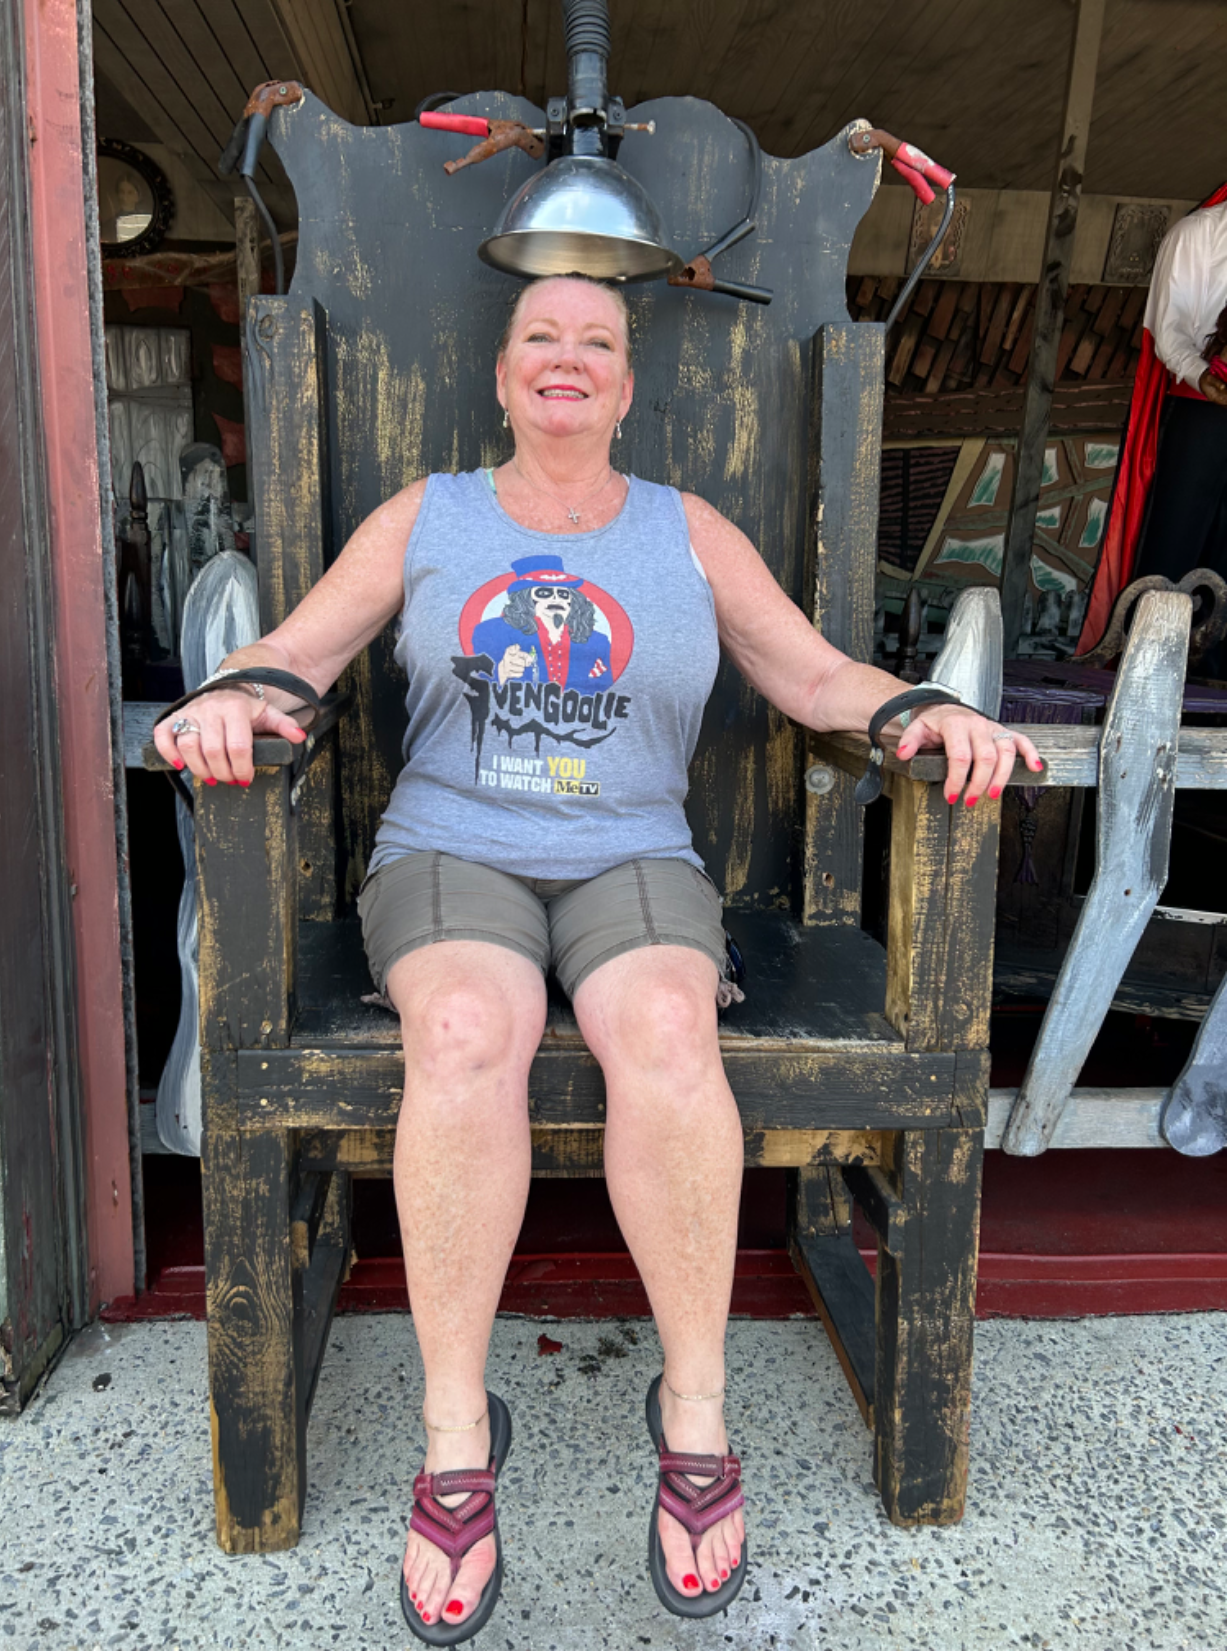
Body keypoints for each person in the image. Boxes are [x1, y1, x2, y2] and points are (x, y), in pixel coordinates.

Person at [153, 275, 1042, 1643]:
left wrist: (922, 708)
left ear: (625, 389)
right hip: (451, 849)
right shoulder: (430, 516)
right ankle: (457, 1438)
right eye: (539, 338)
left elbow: (813, 676)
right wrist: (227, 700)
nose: (565, 359)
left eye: (596, 343)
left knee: (671, 1031)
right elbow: (294, 653)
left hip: (631, 853)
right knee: (462, 1028)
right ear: (501, 377)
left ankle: (693, 1413)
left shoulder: (685, 530)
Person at [1078, 184, 1227, 655]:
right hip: (1203, 409)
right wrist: (1204, 377)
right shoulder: (1198, 233)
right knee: (1174, 548)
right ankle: (1148, 661)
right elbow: (1170, 326)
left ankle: (1215, 681)